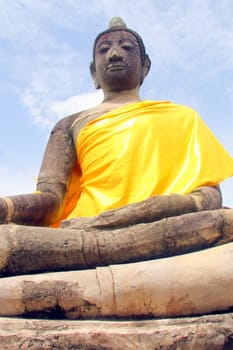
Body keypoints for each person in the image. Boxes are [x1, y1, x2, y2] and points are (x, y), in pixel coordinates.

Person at [0, 17, 233, 229]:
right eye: (104, 50)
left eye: (126, 48)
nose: (114, 54)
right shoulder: (70, 124)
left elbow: (208, 197)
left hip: (169, 225)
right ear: (93, 73)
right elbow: (51, 200)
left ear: (145, 66)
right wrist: (7, 207)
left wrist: (159, 208)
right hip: (87, 229)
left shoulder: (182, 117)